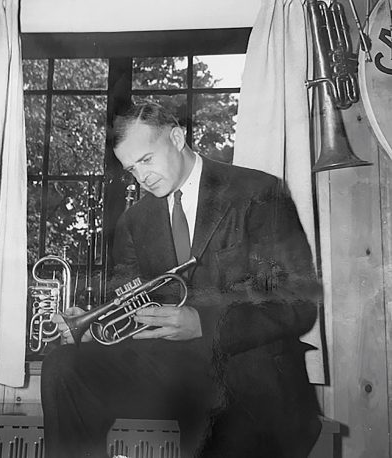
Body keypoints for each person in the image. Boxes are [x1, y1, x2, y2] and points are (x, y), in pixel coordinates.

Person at [41, 102, 322, 458]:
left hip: (248, 371)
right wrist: (89, 321)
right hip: (175, 374)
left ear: (177, 137)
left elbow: (297, 304)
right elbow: (131, 304)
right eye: (131, 169)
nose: (141, 177)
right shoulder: (135, 221)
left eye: (146, 160)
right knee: (64, 367)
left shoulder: (257, 192)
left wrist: (202, 323)